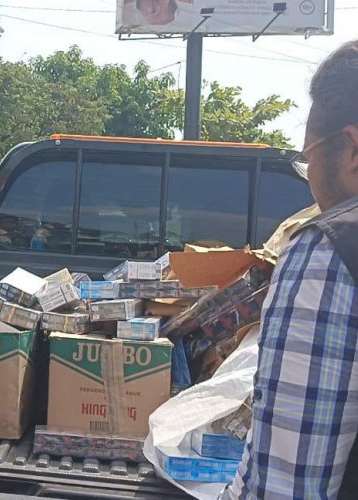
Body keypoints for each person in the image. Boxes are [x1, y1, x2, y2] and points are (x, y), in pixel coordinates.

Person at [222, 40, 358, 499]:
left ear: (353, 148)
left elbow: (287, 484)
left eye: (308, 158)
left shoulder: (331, 252)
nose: (311, 177)